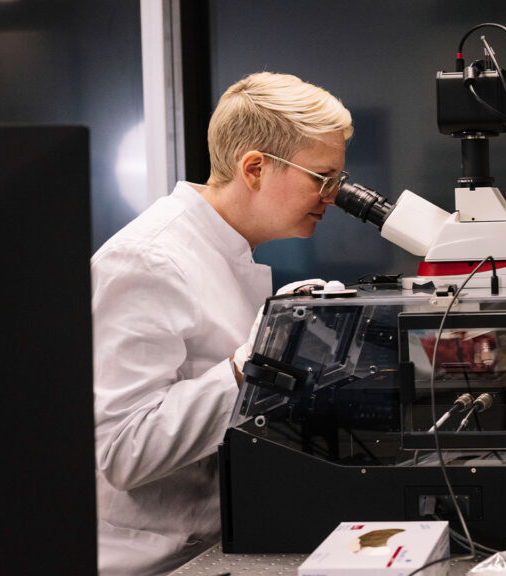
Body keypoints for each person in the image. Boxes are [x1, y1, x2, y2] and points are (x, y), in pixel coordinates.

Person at [92, 71, 352, 576]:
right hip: (154, 562)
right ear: (254, 167)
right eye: (322, 179)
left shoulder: (227, 250)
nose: (333, 196)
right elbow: (121, 451)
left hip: (216, 542)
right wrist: (252, 362)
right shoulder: (146, 260)